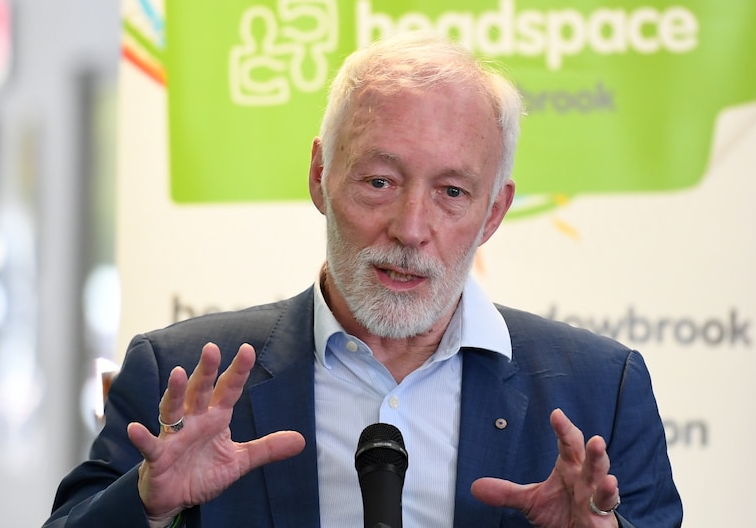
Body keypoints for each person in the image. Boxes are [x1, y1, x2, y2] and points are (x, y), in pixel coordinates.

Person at [45, 32, 682, 528]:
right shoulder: (176, 374)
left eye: (452, 193)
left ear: (493, 212)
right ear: (320, 176)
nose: (410, 228)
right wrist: (149, 506)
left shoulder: (604, 389)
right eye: (379, 181)